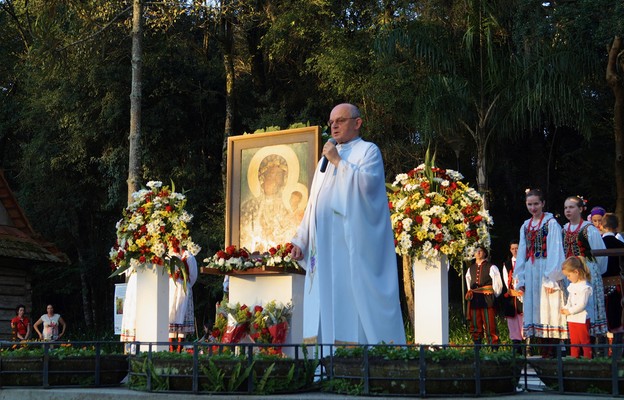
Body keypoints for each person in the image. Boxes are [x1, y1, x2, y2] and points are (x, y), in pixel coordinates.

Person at [290, 103, 405, 345]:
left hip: (348, 246)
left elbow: (367, 189)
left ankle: (355, 363)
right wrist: (301, 239)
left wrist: (338, 162)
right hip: (323, 250)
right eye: (331, 122)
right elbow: (314, 203)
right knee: (324, 304)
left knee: (349, 304)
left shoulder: (368, 151)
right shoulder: (324, 162)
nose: (334, 126)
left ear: (357, 123)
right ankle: (324, 364)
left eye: (340, 120)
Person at [514, 188, 568, 358]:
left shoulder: (551, 224)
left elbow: (555, 250)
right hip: (531, 272)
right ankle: (542, 352)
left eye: (536, 203)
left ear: (543, 203)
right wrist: (520, 278)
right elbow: (522, 251)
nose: (533, 207)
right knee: (536, 310)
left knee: (549, 309)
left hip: (546, 270)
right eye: (530, 204)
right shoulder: (525, 225)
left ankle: (552, 352)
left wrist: (552, 278)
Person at [562, 196, 608, 343]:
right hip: (570, 275)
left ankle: (594, 345)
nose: (568, 210)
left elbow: (600, 255)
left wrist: (593, 272)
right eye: (566, 208)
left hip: (588, 272)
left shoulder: (589, 229)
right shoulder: (563, 229)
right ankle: (575, 345)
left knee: (589, 305)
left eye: (571, 207)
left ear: (581, 209)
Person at [465, 246, 503, 346]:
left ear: (485, 253)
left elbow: (498, 285)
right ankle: (477, 350)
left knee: (490, 324)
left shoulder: (491, 267)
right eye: (476, 251)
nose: (478, 253)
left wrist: (492, 294)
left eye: (480, 251)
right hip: (474, 299)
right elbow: (469, 283)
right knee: (475, 325)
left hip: (487, 298)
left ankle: (494, 349)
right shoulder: (470, 269)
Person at [560, 256, 594, 359]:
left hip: (582, 319)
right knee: (574, 341)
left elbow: (582, 305)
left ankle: (588, 360)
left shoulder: (585, 288)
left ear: (576, 272)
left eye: (569, 275)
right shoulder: (572, 286)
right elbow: (570, 300)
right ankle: (574, 359)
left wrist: (569, 311)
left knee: (584, 341)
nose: (568, 278)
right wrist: (565, 307)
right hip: (572, 319)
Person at [601, 213, 624, 353]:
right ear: (616, 227)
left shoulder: (599, 243)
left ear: (602, 226)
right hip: (616, 285)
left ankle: (600, 352)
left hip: (599, 286)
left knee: (601, 318)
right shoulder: (620, 245)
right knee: (617, 318)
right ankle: (617, 353)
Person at [169, 249, 198, 352]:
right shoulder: (169, 255)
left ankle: (180, 348)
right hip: (171, 289)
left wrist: (186, 283)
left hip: (183, 289)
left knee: (183, 315)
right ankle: (171, 347)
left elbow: (193, 276)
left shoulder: (189, 257)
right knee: (171, 314)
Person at [501, 240, 524, 353]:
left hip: (523, 296)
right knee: (512, 320)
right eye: (513, 249)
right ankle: (516, 347)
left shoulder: (525, 262)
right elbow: (506, 280)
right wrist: (512, 291)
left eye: (517, 248)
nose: (515, 251)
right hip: (512, 297)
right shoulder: (507, 264)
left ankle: (526, 346)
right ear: (510, 250)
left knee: (523, 320)